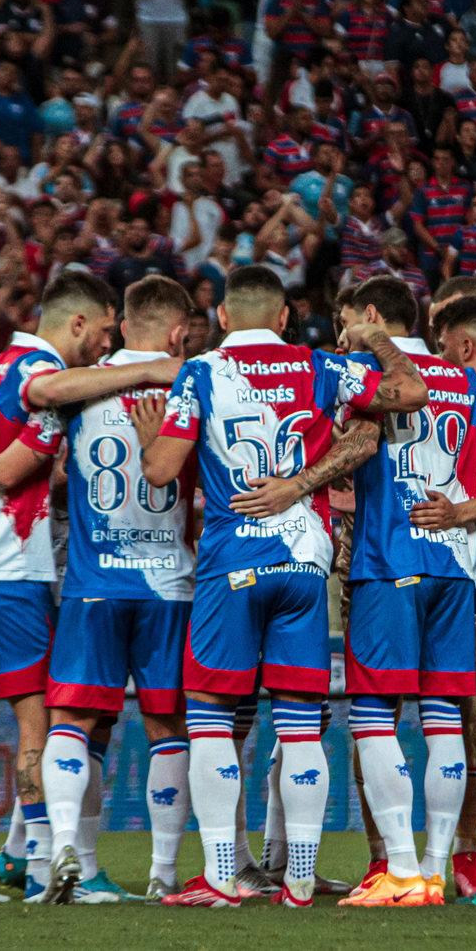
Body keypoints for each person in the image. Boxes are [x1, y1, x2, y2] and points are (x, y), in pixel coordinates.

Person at [135, 265, 427, 908]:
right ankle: (299, 875)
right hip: (304, 560)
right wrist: (374, 336)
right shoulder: (323, 368)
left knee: (212, 719)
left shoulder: (202, 373)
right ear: (286, 317)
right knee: (299, 726)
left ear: (224, 318)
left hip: (231, 561)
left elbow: (159, 474)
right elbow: (409, 392)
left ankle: (219, 875)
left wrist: (150, 434)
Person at [309, 280, 476, 908]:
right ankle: (434, 867)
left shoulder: (364, 372)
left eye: (347, 320)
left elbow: (356, 442)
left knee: (374, 716)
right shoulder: (467, 383)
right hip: (456, 567)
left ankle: (399, 866)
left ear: (371, 318)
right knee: (444, 717)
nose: (343, 332)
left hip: (387, 558)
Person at [0, 276, 195, 903]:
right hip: (169, 579)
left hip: (91, 580)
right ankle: (163, 873)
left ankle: (60, 853)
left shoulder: (81, 388)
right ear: (176, 332)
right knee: (167, 722)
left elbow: (48, 463)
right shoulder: (190, 380)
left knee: (71, 719)